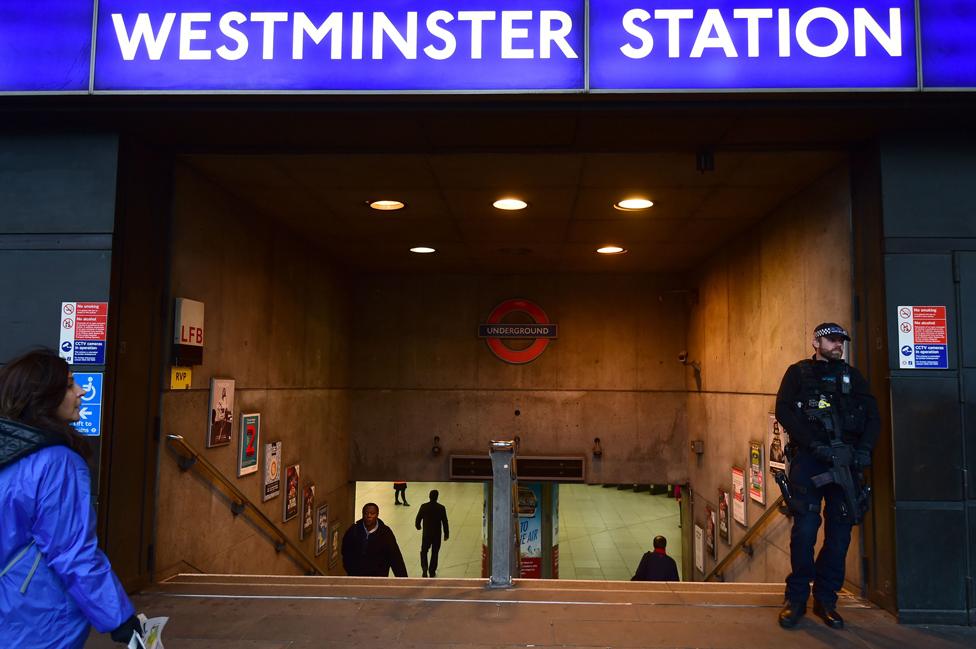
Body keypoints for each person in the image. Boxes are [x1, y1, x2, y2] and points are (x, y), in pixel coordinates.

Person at [0, 349, 143, 648]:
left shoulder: (9, 453)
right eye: (68, 384)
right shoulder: (57, 462)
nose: (80, 391)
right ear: (42, 395)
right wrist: (119, 619)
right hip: (38, 617)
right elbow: (71, 551)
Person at [775, 323, 880, 630]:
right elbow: (784, 411)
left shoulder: (853, 377)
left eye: (841, 341)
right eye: (832, 340)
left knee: (839, 537)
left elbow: (872, 416)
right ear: (815, 342)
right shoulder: (798, 373)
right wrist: (813, 444)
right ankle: (796, 599)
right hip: (811, 461)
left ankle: (825, 600)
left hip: (846, 464)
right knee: (805, 532)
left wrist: (864, 450)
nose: (838, 345)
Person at [341, 503, 408, 577]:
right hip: (356, 576)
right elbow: (345, 552)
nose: (369, 516)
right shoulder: (353, 531)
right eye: (366, 513)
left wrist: (403, 579)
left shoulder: (385, 532)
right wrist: (351, 570)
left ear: (377, 514)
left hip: (378, 577)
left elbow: (395, 557)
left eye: (372, 513)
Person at [415, 490, 450, 577]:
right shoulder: (441, 508)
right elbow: (445, 522)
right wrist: (446, 534)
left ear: (429, 496)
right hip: (437, 535)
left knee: (424, 551)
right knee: (435, 553)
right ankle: (432, 571)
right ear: (437, 497)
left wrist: (418, 526)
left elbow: (418, 518)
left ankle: (424, 568)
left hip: (426, 534)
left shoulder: (424, 506)